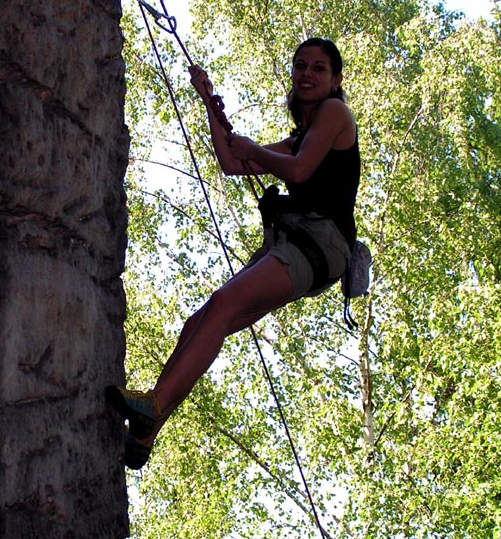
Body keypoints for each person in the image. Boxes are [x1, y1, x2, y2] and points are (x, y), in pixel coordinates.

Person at [107, 37, 360, 469]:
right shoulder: (300, 137)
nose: (307, 74)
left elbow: (297, 169)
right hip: (299, 244)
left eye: (319, 68)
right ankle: (148, 431)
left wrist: (252, 150)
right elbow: (232, 162)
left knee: (223, 305)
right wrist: (209, 102)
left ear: (335, 81)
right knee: (204, 320)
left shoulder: (335, 114)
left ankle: (152, 406)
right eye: (301, 65)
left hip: (320, 243)